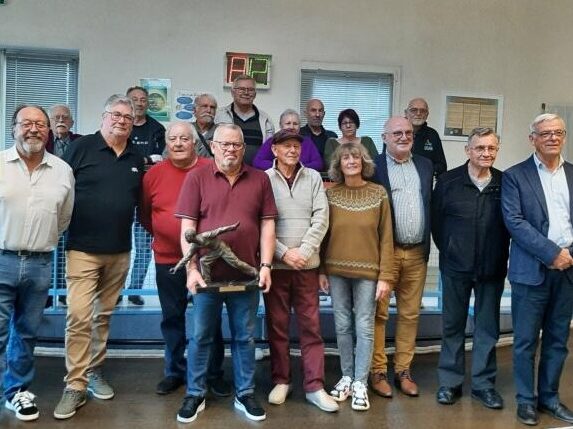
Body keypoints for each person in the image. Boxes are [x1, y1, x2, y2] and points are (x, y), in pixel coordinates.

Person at [174, 123, 277, 423]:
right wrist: (191, 269)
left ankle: (244, 393)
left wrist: (267, 266)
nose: (231, 149)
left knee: (245, 338)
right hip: (206, 279)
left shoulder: (260, 180)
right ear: (214, 146)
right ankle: (195, 393)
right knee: (201, 336)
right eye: (225, 144)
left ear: (243, 148)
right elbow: (187, 228)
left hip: (247, 278)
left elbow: (268, 225)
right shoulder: (197, 177)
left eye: (236, 145)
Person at [54, 95, 144, 420]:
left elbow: (140, 201)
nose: (122, 121)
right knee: (78, 317)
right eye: (116, 115)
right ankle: (74, 385)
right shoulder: (82, 148)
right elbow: (60, 189)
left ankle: (94, 372)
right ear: (104, 117)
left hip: (120, 251)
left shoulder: (136, 155)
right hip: (82, 249)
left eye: (128, 117)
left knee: (102, 317)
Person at [139, 121, 231, 397]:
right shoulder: (153, 174)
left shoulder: (209, 169)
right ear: (166, 143)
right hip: (167, 259)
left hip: (205, 261)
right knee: (172, 318)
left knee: (210, 320)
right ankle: (174, 372)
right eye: (172, 139)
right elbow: (145, 214)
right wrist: (165, 233)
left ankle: (214, 373)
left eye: (184, 139)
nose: (178, 143)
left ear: (195, 143)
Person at [0, 105, 74, 422]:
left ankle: (17, 391)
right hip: (1, 258)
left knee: (27, 332)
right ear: (13, 127)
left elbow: (63, 218)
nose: (33, 129)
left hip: (41, 263)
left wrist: (40, 241)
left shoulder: (62, 170)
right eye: (26, 123)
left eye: (40, 124)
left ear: (48, 131)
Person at [502, 113, 573, 426]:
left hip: (568, 270)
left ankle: (549, 398)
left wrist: (567, 255)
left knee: (558, 340)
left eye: (558, 132)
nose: (552, 138)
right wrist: (551, 253)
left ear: (565, 136)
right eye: (545, 133)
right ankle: (526, 401)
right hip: (531, 271)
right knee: (525, 342)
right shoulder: (515, 176)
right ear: (532, 138)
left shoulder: (572, 173)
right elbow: (515, 222)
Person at [432, 127, 509, 409]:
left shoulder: (505, 183)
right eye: (479, 148)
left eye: (491, 148)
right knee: (452, 326)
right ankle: (449, 383)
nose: (485, 153)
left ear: (496, 150)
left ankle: (483, 385)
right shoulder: (448, 182)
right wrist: (452, 249)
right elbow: (437, 225)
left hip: (492, 268)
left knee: (487, 328)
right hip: (455, 267)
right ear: (468, 151)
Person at [263, 129, 337, 412]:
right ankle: (282, 379)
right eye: (286, 146)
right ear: (275, 150)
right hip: (277, 267)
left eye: (296, 146)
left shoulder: (314, 178)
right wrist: (283, 253)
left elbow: (322, 218)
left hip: (307, 266)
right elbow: (262, 221)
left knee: (311, 327)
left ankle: (315, 386)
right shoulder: (264, 180)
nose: (292, 151)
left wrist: (304, 253)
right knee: (277, 325)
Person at [319, 142, 394, 411]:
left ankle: (361, 381)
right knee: (341, 325)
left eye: (356, 157)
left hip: (369, 273)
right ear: (338, 164)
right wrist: (321, 271)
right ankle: (347, 376)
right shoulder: (330, 195)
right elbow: (323, 236)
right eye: (345, 158)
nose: (351, 161)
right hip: (335, 271)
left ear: (364, 162)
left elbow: (387, 238)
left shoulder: (378, 193)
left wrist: (386, 276)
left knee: (364, 325)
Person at [370, 116, 433, 398]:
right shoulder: (374, 166)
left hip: (417, 252)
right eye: (397, 133)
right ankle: (378, 370)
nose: (404, 137)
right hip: (386, 254)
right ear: (384, 137)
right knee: (378, 314)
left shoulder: (424, 164)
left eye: (408, 132)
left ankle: (403, 370)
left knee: (410, 314)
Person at [124, 86, 167, 306]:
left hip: (146, 197)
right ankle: (114, 292)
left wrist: (137, 159)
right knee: (118, 248)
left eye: (143, 100)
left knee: (143, 250)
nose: (139, 103)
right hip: (121, 196)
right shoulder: (121, 125)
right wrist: (145, 159)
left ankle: (133, 290)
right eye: (135, 99)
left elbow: (158, 159)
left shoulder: (157, 129)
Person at [45, 104, 82, 307]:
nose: (61, 120)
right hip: (48, 205)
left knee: (70, 252)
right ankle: (49, 293)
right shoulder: (42, 142)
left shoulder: (80, 142)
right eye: (56, 117)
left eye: (65, 117)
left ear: (72, 122)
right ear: (49, 123)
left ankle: (66, 292)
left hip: (75, 204)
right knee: (51, 250)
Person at [214, 74, 275, 165]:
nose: (246, 93)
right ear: (232, 92)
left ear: (255, 94)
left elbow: (270, 151)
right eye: (241, 89)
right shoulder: (219, 116)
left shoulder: (266, 120)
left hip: (257, 174)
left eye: (250, 89)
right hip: (226, 172)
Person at [253, 109, 323, 171]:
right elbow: (258, 162)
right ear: (281, 125)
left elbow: (318, 163)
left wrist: (298, 168)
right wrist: (280, 167)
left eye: (295, 124)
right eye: (288, 123)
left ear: (299, 126)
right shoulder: (272, 141)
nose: (291, 127)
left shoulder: (307, 142)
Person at [405, 97, 447, 178]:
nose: (418, 113)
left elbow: (442, 166)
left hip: (424, 184)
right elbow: (386, 161)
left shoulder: (432, 135)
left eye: (423, 111)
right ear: (406, 113)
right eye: (414, 110)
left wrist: (426, 169)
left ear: (427, 114)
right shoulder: (395, 132)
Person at [192, 93, 217, 158]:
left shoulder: (221, 132)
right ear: (194, 110)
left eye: (212, 107)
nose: (209, 111)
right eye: (204, 106)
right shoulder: (184, 130)